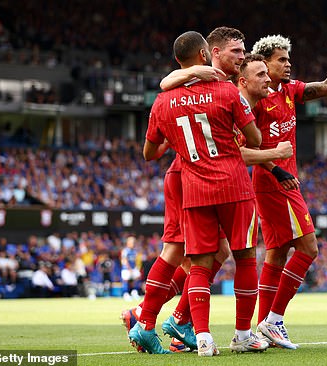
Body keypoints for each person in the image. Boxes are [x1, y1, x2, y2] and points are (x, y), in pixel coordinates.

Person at [124, 28, 291, 355]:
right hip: (198, 179)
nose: (241, 57)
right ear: (210, 54)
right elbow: (245, 146)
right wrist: (275, 154)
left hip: (196, 181)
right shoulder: (224, 91)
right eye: (236, 52)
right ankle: (147, 319)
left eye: (244, 53)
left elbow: (151, 146)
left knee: (214, 255)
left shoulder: (176, 95)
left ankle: (184, 323)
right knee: (180, 250)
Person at [250, 33, 327, 349]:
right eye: (282, 59)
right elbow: (248, 147)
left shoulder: (291, 90)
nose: (288, 64)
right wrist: (277, 170)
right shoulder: (254, 98)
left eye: (289, 59)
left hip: (283, 180)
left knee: (277, 253)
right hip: (274, 181)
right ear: (264, 63)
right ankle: (275, 320)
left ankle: (263, 327)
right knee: (308, 248)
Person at [120, 236, 141, 300]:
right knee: (126, 280)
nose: (133, 244)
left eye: (134, 242)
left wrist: (136, 267)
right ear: (128, 243)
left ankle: (134, 292)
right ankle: (125, 294)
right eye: (132, 242)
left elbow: (135, 260)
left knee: (137, 278)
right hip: (126, 268)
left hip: (133, 268)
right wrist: (129, 268)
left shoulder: (134, 251)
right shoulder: (125, 251)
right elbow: (124, 260)